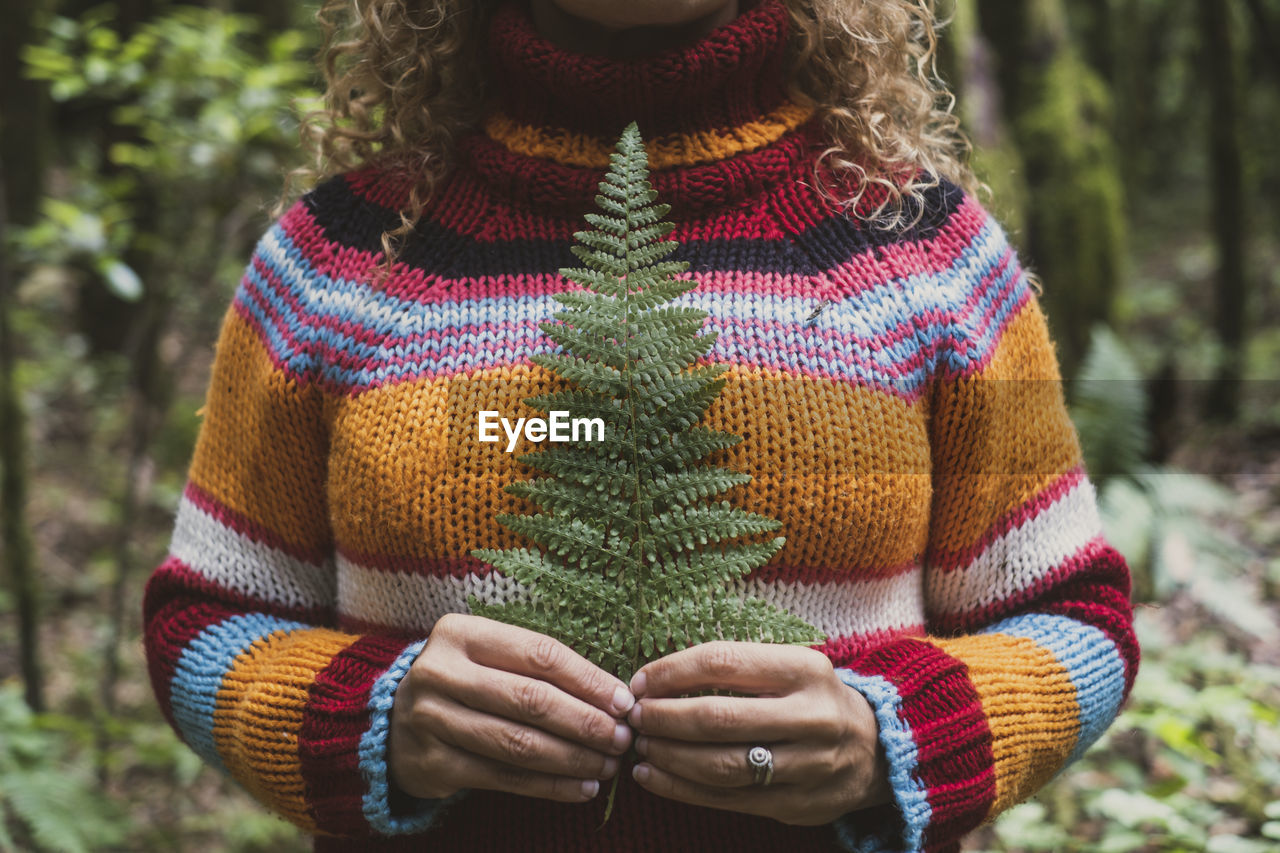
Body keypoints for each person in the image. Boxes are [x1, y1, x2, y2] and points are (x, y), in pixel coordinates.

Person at [141, 0, 1140, 850]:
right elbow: (202, 621)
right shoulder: (339, 256)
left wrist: (894, 735)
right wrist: (369, 718)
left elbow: (1070, 618)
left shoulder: (919, 250)